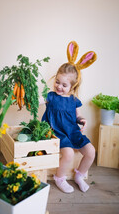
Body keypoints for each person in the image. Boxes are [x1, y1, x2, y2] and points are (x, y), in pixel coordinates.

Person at [40, 41, 97, 193]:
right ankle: (60, 177)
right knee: (69, 153)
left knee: (91, 151)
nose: (59, 86)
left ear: (73, 87)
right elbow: (38, 100)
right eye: (57, 82)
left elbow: (77, 117)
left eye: (64, 85)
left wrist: (82, 120)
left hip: (72, 131)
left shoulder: (74, 101)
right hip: (57, 132)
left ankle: (80, 175)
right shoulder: (50, 96)